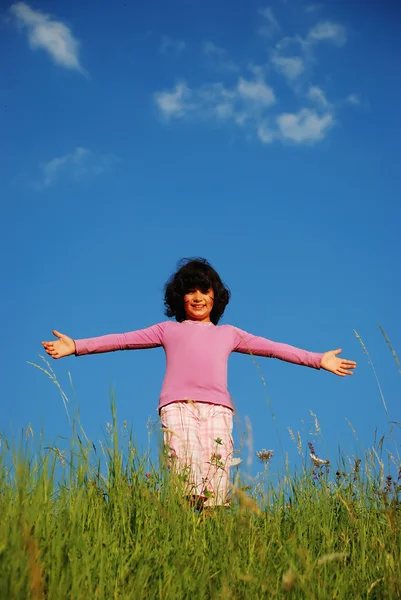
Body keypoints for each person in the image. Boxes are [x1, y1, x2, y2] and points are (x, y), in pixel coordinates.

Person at [41, 257, 356, 508]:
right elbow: (123, 340)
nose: (197, 297)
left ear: (214, 297)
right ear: (180, 297)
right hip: (177, 407)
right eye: (190, 291)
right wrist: (77, 345)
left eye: (204, 291)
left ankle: (209, 535)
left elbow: (274, 348)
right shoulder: (168, 330)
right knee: (187, 474)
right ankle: (185, 528)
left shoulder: (229, 334)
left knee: (216, 484)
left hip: (219, 411)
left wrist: (318, 359)